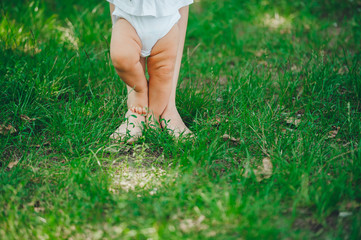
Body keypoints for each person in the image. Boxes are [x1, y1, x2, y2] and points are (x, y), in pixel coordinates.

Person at [107, 0, 193, 143]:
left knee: (164, 71)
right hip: (128, 14)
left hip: (167, 17)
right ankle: (137, 95)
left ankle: (157, 113)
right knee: (123, 58)